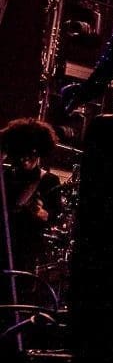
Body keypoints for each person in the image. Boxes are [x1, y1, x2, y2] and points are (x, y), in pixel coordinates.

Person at [1, 119, 64, 283]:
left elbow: (56, 215)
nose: (25, 159)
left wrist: (42, 213)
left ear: (38, 153)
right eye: (21, 153)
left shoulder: (49, 181)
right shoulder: (5, 177)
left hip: (28, 249)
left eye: (30, 153)